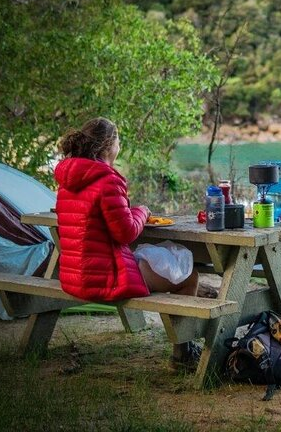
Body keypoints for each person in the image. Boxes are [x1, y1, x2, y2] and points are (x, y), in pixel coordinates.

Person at [54, 117, 201, 370]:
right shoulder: (107, 180)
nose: (119, 145)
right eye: (119, 140)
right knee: (189, 277)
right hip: (106, 278)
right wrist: (142, 211)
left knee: (160, 260)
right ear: (109, 145)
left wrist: (128, 211)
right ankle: (182, 354)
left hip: (74, 277)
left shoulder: (67, 182)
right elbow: (127, 233)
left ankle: (183, 349)